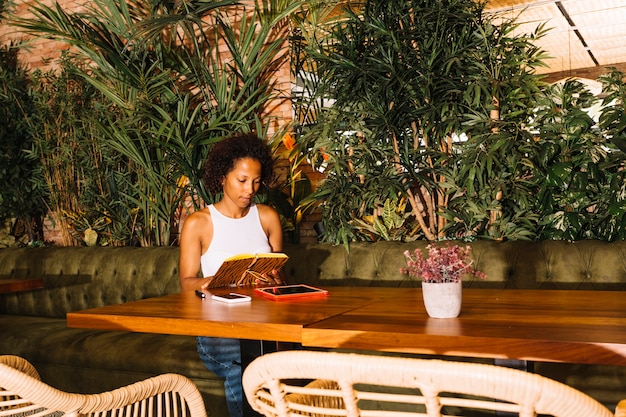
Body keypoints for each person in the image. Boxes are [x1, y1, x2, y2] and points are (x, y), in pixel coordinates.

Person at [179, 132, 284, 417]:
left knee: (289, 359)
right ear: (222, 176)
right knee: (244, 368)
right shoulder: (198, 223)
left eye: (256, 181)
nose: (250, 189)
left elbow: (278, 276)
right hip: (217, 327)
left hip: (263, 323)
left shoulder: (267, 217)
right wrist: (217, 281)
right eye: (242, 180)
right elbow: (186, 284)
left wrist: (273, 279)